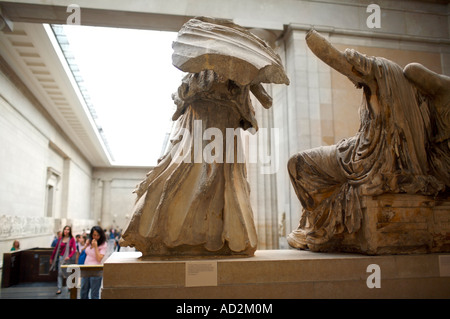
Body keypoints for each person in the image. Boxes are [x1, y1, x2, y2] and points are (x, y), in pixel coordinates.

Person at [80, 226, 107, 299]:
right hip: (86, 269)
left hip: (95, 270)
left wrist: (95, 247)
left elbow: (99, 259)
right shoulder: (90, 241)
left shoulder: (103, 244)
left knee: (94, 293)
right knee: (83, 291)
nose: (95, 237)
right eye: (94, 235)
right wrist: (85, 244)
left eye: (98, 235)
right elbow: (83, 251)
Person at [50, 225, 76, 294]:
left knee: (67, 272)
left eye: (68, 230)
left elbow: (74, 250)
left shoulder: (72, 239)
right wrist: (52, 258)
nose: (66, 231)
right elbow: (56, 249)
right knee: (60, 273)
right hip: (61, 257)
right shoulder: (61, 238)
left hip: (68, 258)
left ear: (70, 231)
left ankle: (69, 286)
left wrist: (69, 256)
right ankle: (59, 288)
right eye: (65, 229)